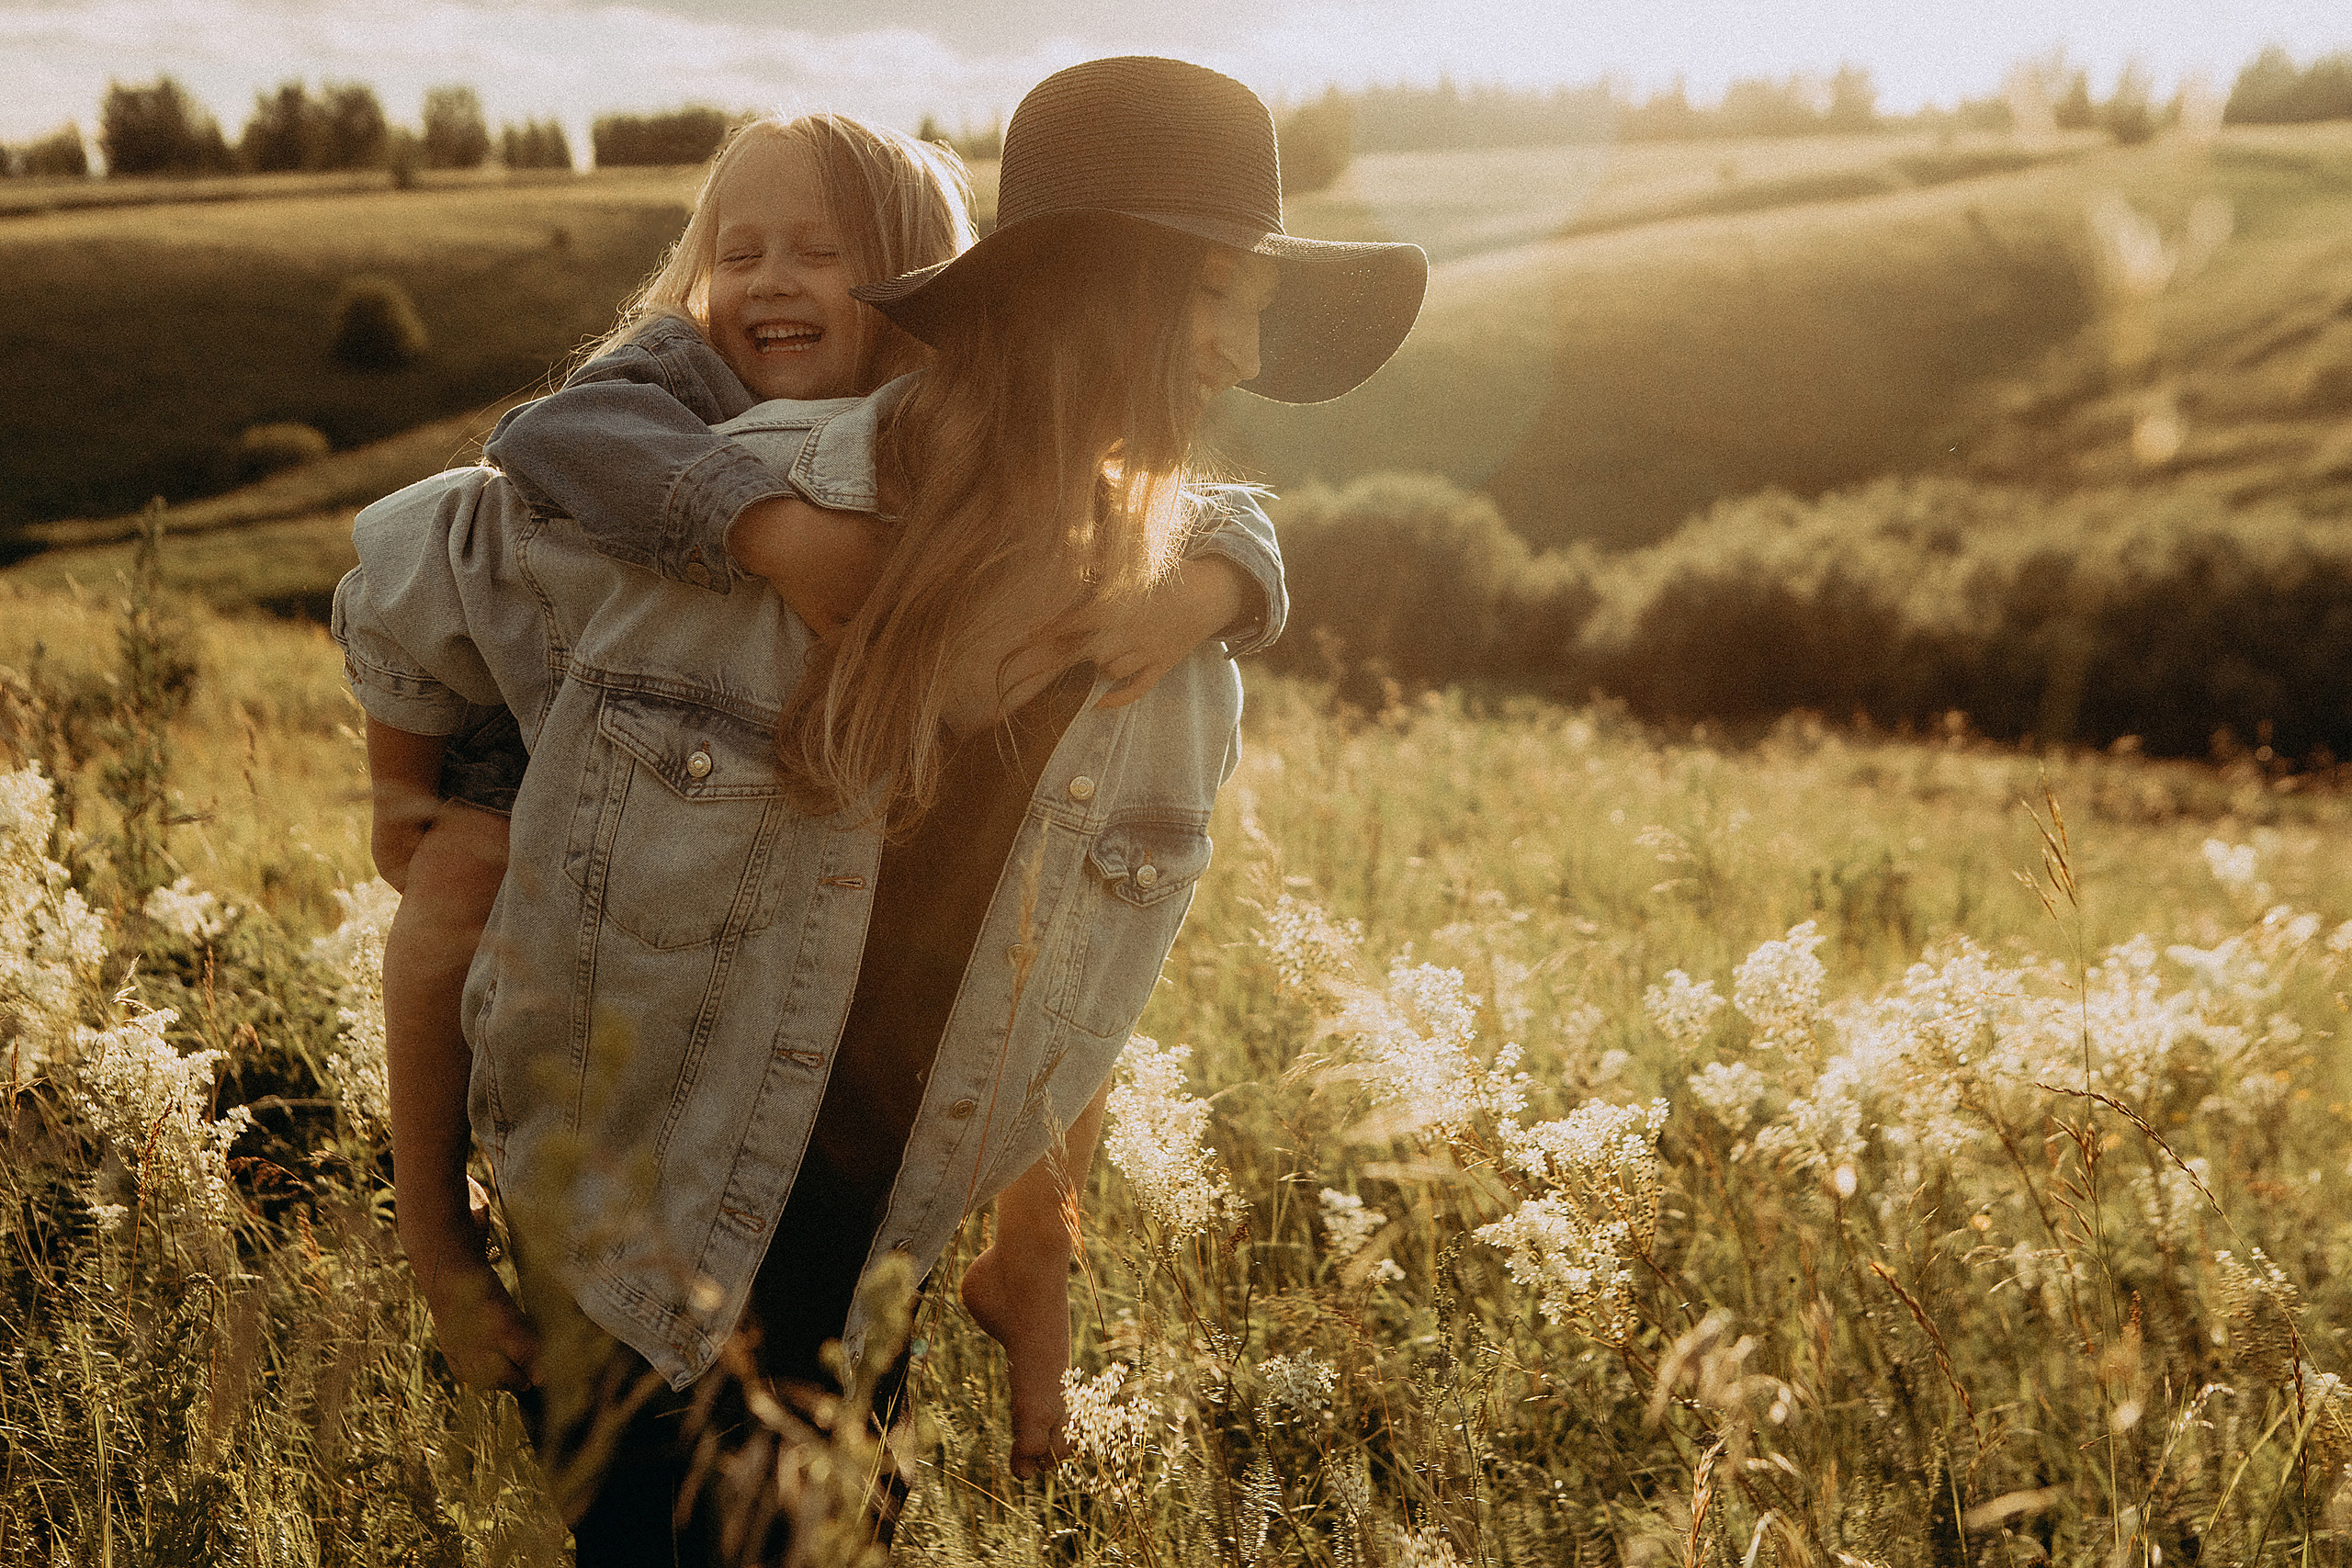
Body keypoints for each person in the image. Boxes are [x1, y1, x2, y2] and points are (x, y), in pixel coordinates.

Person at [336, 56, 1424, 1563]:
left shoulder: (1181, 647)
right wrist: (412, 810)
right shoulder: (726, 502)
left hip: (872, 1278)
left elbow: (1062, 953)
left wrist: (1038, 1241)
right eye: (1221, 304)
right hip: (638, 1262)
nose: (1242, 365)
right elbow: (416, 561)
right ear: (1113, 302)